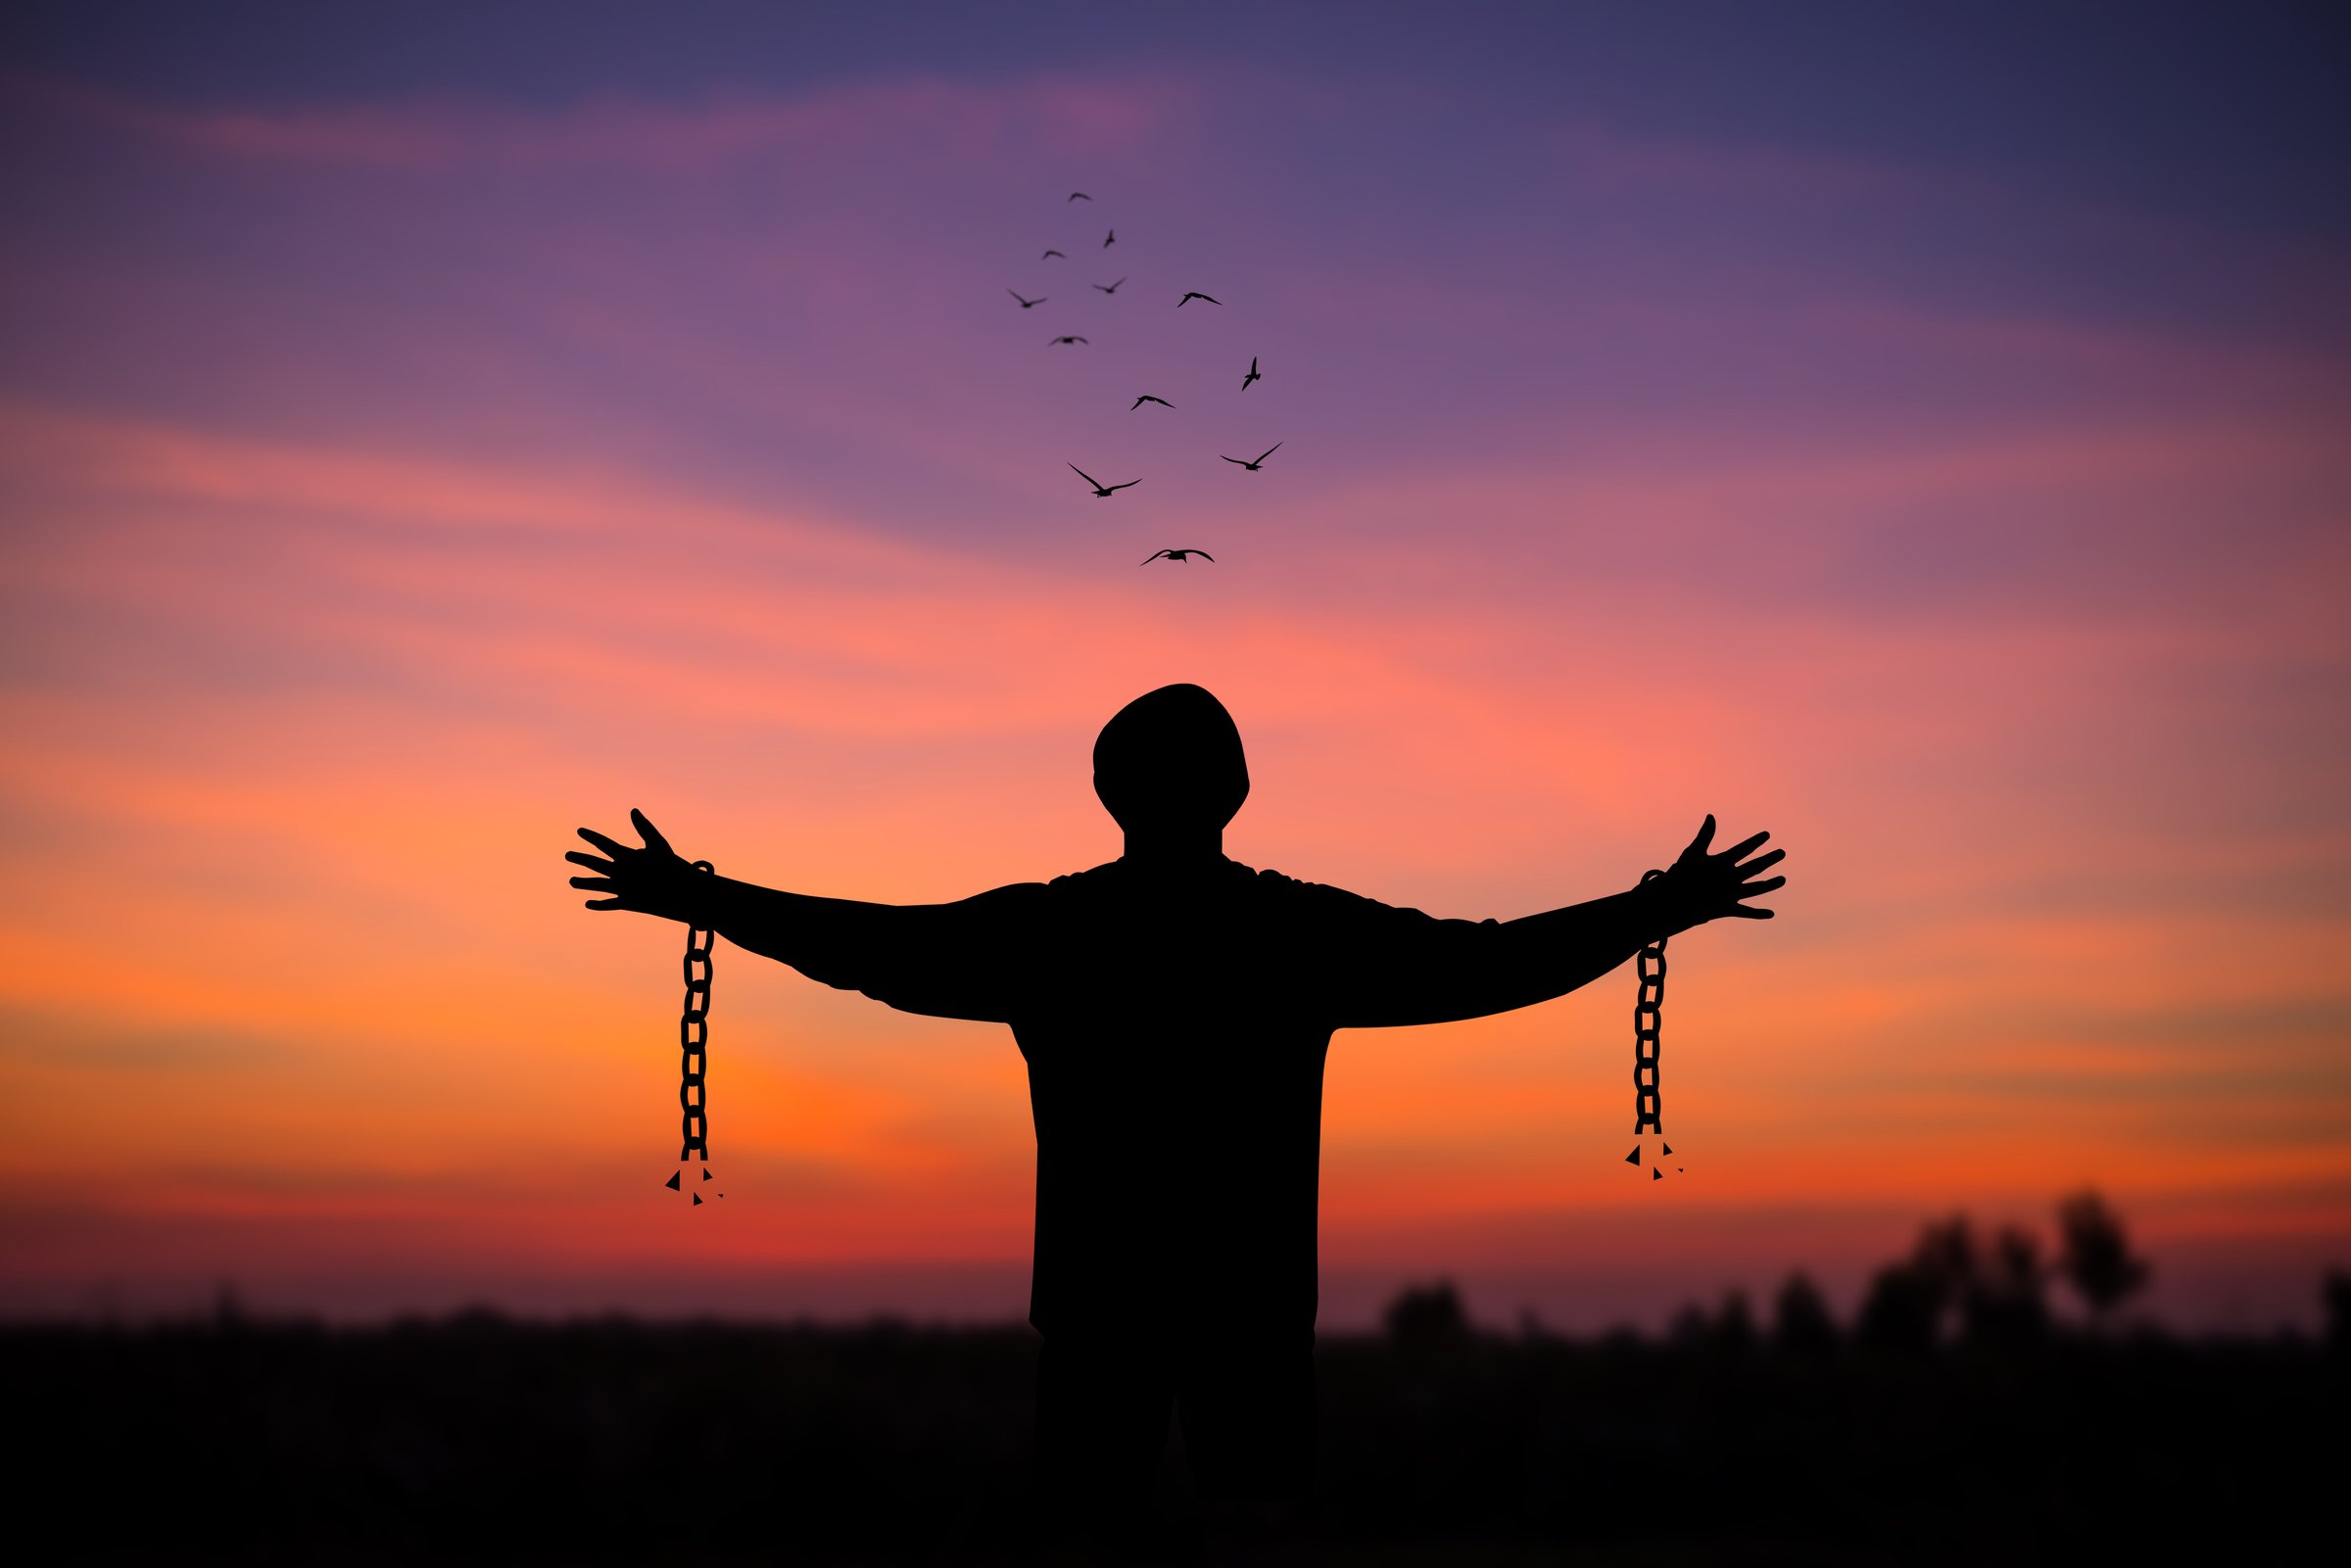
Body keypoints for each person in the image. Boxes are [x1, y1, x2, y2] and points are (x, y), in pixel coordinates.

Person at [566, 683, 1785, 1556]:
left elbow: (871, 945)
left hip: (1101, 1298)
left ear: (1108, 794)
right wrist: (1653, 908)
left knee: (1092, 1528)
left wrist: (702, 897)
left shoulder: (1053, 933)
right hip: (1248, 1297)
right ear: (1237, 791)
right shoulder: (1290, 933)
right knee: (1254, 1523)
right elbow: (1486, 964)